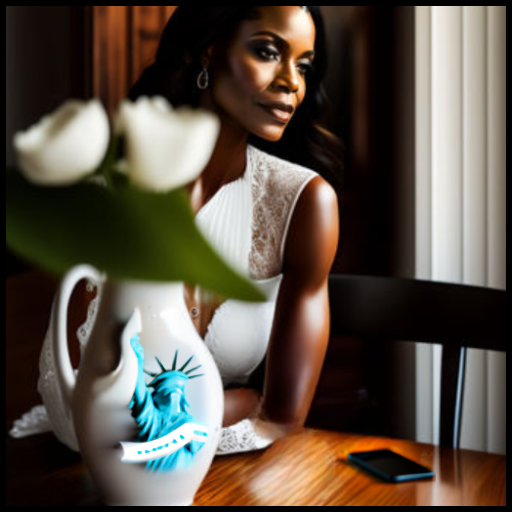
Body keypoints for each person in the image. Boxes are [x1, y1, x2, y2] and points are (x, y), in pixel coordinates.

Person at [127, 6, 344, 454]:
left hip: (243, 475)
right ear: (211, 49)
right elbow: (75, 406)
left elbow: (284, 419)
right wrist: (243, 401)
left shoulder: (305, 203)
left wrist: (185, 419)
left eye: (303, 66)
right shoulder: (116, 189)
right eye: (267, 52)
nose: (292, 82)